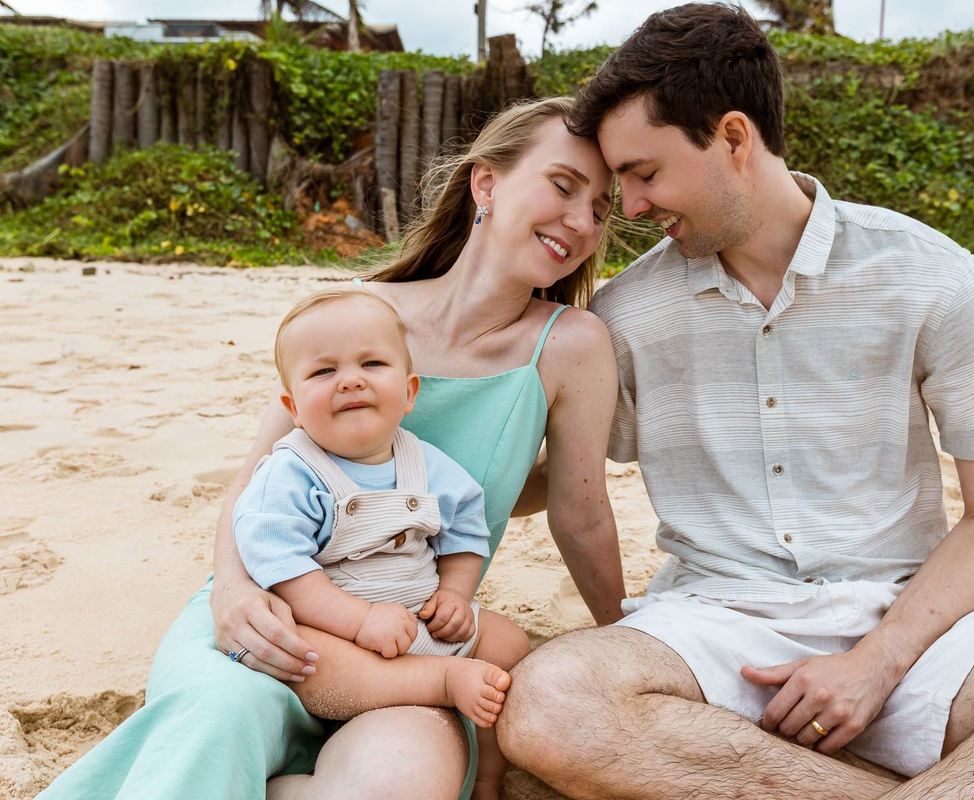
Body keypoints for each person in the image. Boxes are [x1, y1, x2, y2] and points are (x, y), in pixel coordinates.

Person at [496, 5, 974, 800]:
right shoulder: (626, 315)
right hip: (710, 630)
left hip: (915, 631)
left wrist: (877, 662)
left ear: (733, 138)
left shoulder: (935, 279)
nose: (627, 208)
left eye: (645, 173)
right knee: (550, 704)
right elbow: (564, 479)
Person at [38, 96, 627, 800]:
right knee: (216, 718)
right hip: (273, 607)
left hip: (408, 646)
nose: (581, 221)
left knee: (398, 783)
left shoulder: (570, 346)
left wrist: (629, 636)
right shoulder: (354, 313)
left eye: (600, 207)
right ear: (486, 183)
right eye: (563, 186)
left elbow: (577, 511)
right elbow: (256, 477)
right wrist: (229, 591)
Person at [234, 287, 533, 798]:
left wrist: (456, 595)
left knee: (511, 645)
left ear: (410, 391)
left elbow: (465, 529)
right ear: (293, 406)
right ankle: (438, 682)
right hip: (335, 630)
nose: (350, 380)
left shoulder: (424, 462)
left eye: (372, 363)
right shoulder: (292, 471)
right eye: (323, 372)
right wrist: (359, 619)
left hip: (418, 615)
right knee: (305, 658)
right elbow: (281, 565)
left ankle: (488, 775)